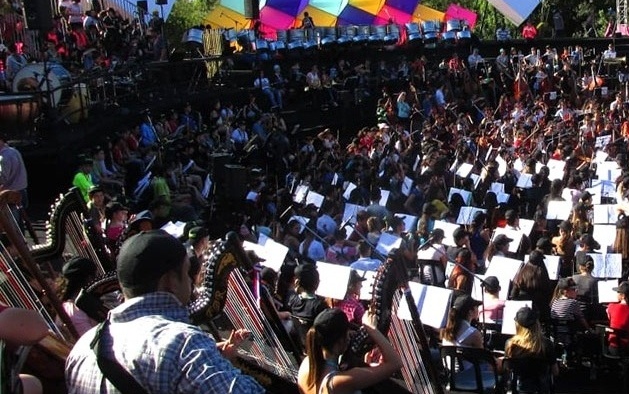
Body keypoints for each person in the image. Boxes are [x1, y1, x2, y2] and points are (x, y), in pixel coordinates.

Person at [65, 230, 264, 393]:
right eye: (187, 273)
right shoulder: (184, 345)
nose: (191, 282)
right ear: (169, 281)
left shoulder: (82, 348)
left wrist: (211, 362)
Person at [297, 308, 403, 394]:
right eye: (347, 333)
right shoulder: (339, 382)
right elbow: (396, 363)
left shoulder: (307, 363)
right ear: (340, 340)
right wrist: (371, 329)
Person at [504, 307, 559, 394]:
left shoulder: (510, 344)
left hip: (518, 389)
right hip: (541, 389)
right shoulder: (546, 344)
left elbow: (507, 368)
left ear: (517, 324)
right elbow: (555, 371)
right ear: (537, 323)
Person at [0, 134, 28, 207]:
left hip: (11, 197)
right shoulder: (15, 151)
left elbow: (2, 179)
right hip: (22, 192)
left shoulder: (3, 158)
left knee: (12, 218)